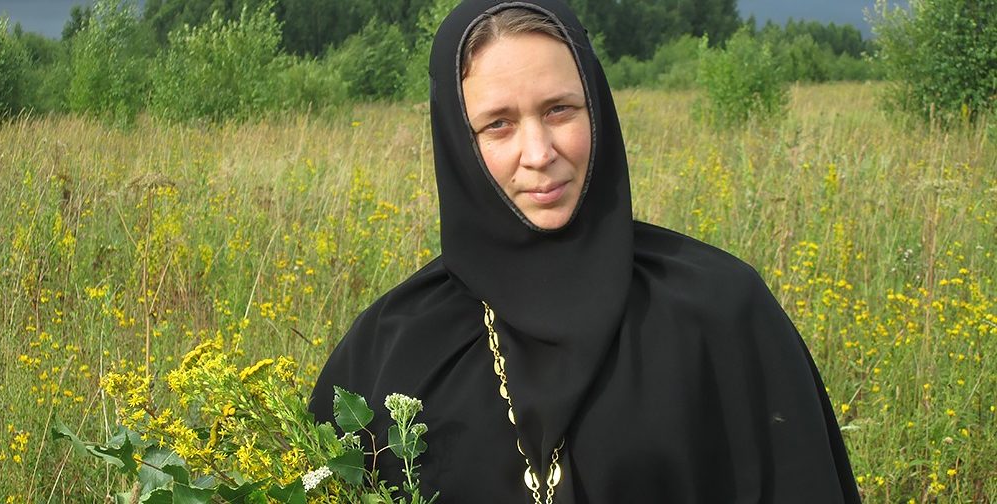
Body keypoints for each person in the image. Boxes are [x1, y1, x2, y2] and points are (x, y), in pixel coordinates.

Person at [310, 0, 862, 502]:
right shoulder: (390, 351)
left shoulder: (721, 312)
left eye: (559, 110)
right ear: (457, 141)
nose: (538, 152)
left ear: (596, 109)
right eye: (498, 124)